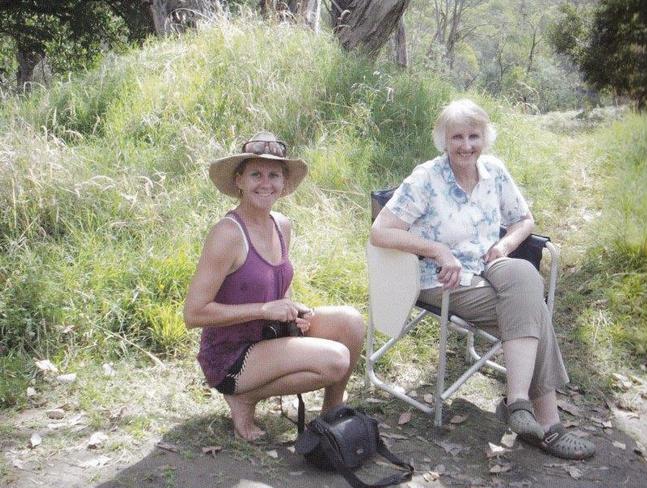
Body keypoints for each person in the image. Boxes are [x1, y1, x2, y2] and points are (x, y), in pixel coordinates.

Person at [370, 99, 595, 460]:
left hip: (489, 264)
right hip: (442, 279)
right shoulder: (426, 177)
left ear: (485, 138)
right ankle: (548, 425)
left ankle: (519, 402)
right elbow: (380, 232)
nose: (466, 145)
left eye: (473, 136)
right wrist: (437, 250)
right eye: (456, 136)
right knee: (532, 311)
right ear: (443, 140)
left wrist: (505, 244)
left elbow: (524, 220)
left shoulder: (494, 171)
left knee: (523, 272)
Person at [184, 131, 365, 441]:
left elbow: (277, 287)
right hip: (232, 355)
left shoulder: (281, 224)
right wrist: (264, 309)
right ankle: (244, 398)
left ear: (284, 184)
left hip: (269, 334)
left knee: (352, 322)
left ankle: (330, 414)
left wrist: (293, 310)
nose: (265, 182)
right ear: (239, 180)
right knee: (335, 359)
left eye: (274, 175)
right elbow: (193, 314)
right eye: (256, 173)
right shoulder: (227, 234)